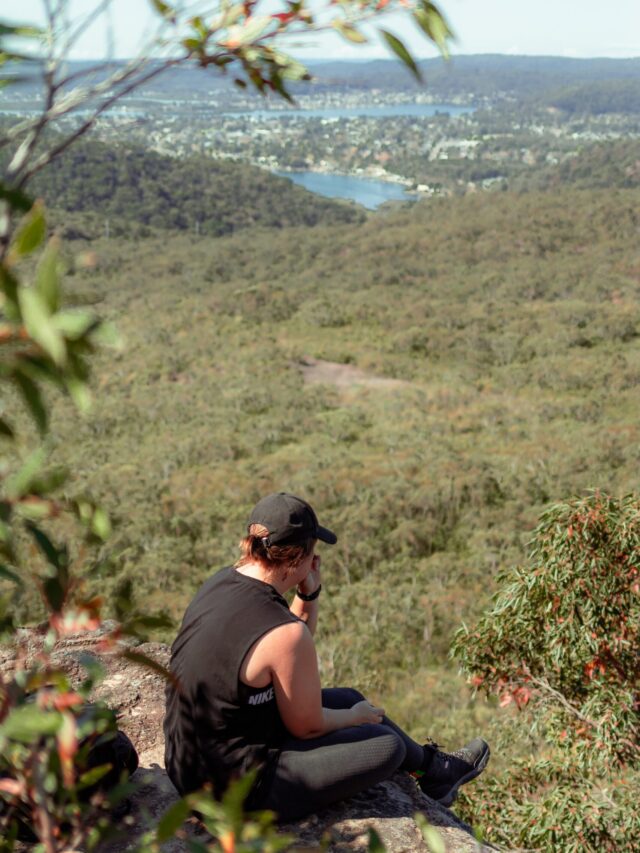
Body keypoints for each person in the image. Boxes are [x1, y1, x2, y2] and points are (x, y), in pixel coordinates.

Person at [164, 492, 489, 822]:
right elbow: (306, 726)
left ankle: (435, 772)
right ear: (298, 556)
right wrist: (354, 718)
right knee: (386, 745)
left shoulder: (220, 581)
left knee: (348, 697)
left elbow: (287, 653)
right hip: (232, 789)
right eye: (313, 551)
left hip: (188, 763)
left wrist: (309, 594)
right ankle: (430, 770)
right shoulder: (284, 633)